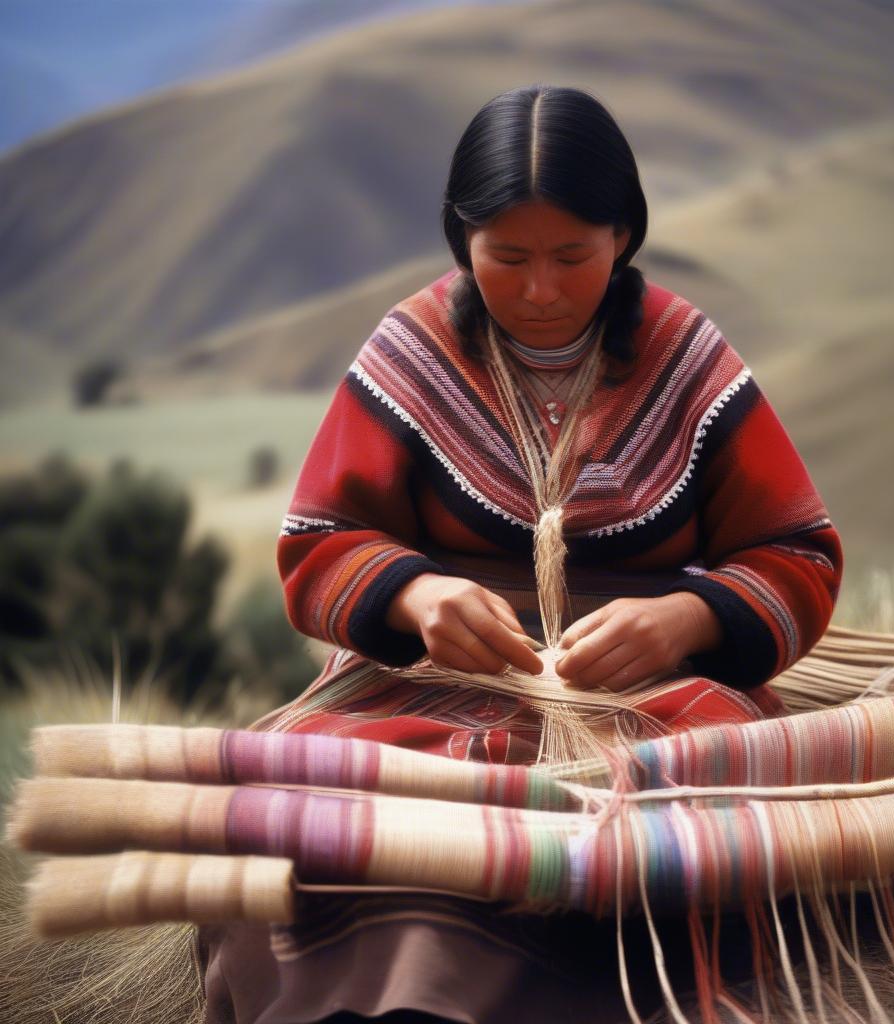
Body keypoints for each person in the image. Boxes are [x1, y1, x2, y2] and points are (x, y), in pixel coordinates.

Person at [197, 84, 842, 1024]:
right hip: (417, 691)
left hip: (646, 697)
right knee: (313, 818)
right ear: (463, 241)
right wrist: (415, 599)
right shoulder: (411, 352)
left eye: (573, 256)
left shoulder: (686, 355)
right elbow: (316, 544)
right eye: (508, 257)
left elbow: (798, 551)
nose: (541, 290)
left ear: (622, 235)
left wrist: (689, 617)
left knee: (694, 842)